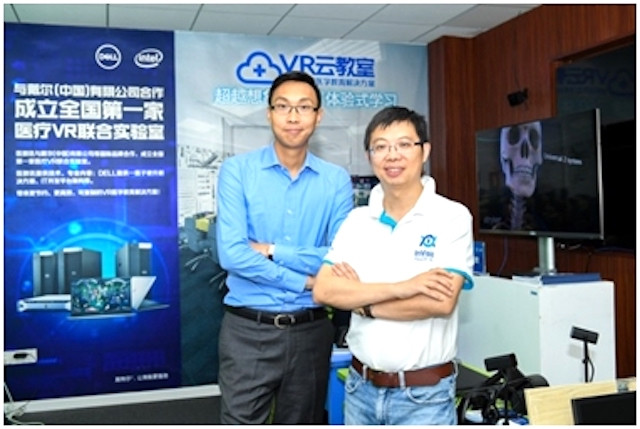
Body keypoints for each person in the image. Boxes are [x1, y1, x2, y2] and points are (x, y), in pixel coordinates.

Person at [313, 106, 475, 425]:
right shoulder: (358, 220)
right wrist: (405, 288)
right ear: (370, 156)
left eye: (404, 144)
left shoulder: (451, 217)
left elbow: (440, 302)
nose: (392, 155)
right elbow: (324, 289)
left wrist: (363, 303)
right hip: (360, 389)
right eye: (381, 146)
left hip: (423, 397)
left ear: (424, 151)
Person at [215, 70, 354, 424]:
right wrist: (306, 282)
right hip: (248, 330)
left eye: (304, 107)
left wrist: (273, 250)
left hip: (311, 331)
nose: (293, 116)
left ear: (318, 116)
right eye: (283, 106)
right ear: (269, 114)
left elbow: (341, 256)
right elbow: (233, 254)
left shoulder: (335, 180)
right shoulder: (237, 171)